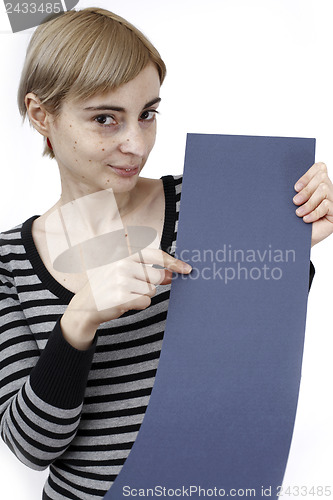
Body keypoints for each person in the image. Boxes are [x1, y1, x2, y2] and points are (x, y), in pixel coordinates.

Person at [0, 6, 332, 500]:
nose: (136, 144)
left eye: (148, 114)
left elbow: (255, 367)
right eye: (105, 119)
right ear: (41, 114)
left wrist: (282, 244)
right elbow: (32, 448)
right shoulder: (8, 262)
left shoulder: (209, 200)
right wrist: (80, 319)